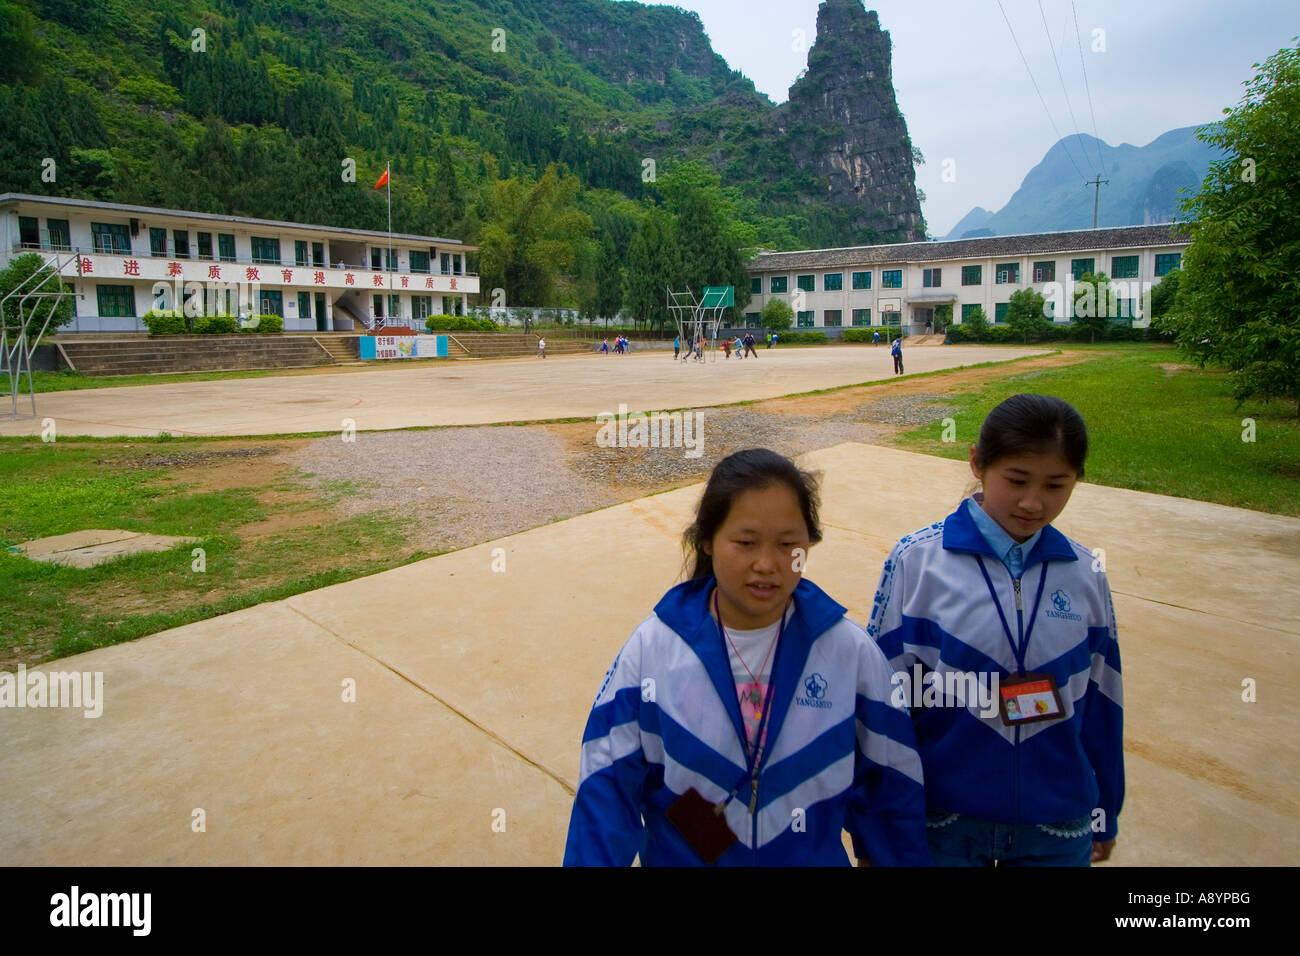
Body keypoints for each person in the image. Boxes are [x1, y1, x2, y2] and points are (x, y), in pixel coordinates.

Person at [564, 448, 930, 866]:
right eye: (745, 542)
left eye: (788, 544)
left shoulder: (849, 652)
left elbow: (892, 786)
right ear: (707, 539)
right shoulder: (654, 651)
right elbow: (605, 790)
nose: (766, 564)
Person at [866, 394, 1124, 867]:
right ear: (977, 463)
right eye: (1017, 480)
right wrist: (878, 825)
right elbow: (883, 702)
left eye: (1056, 485)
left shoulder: (1087, 573)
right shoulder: (917, 561)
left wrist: (1104, 806)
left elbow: (1104, 699)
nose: (1033, 502)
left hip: (1057, 825)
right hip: (943, 822)